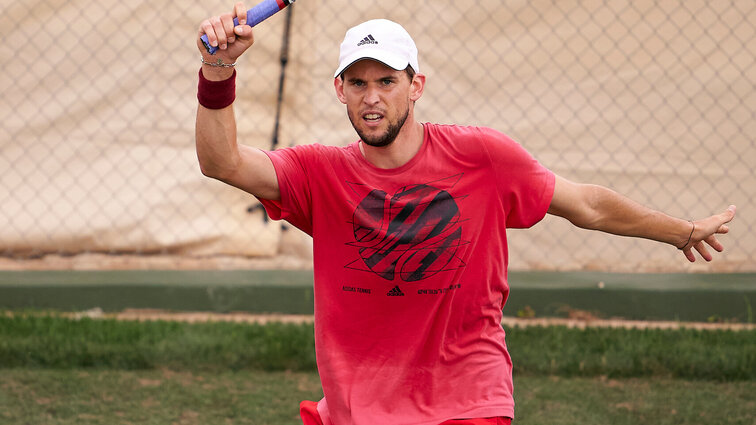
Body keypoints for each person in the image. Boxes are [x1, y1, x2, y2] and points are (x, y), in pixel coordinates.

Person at [195, 4, 737, 424]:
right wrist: (218, 69)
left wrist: (682, 233)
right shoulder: (320, 173)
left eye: (387, 80)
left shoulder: (483, 157)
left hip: (467, 398)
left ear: (416, 86)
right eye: (357, 83)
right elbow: (221, 162)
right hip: (358, 406)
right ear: (340, 90)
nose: (372, 97)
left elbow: (586, 204)